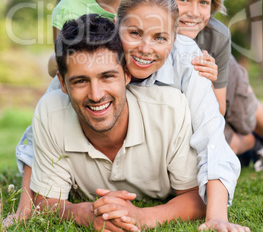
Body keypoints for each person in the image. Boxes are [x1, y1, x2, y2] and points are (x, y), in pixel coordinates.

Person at [12, 0, 247, 232]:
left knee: (231, 133)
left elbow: (210, 136)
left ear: (175, 37)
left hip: (177, 141)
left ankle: (250, 141)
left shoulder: (188, 61)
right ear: (116, 25)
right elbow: (38, 131)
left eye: (160, 37)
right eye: (134, 33)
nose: (145, 49)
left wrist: (217, 216)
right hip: (139, 141)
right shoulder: (95, 52)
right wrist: (25, 210)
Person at [31, 13, 207, 230]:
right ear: (63, 84)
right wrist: (84, 213)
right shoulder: (50, 112)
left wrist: (141, 216)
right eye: (80, 81)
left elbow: (196, 196)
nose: (96, 95)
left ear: (126, 74)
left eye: (107, 76)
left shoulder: (170, 109)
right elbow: (44, 202)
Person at [151, 0, 263, 168]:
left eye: (203, 2)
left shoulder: (217, 35)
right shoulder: (146, 35)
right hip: (195, 102)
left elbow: (219, 110)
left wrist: (212, 81)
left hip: (225, 80)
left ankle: (258, 135)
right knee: (223, 145)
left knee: (247, 115)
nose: (194, 12)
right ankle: (251, 142)